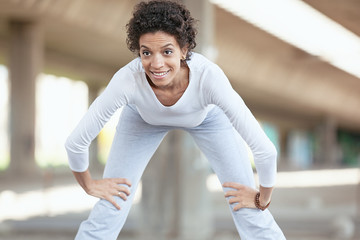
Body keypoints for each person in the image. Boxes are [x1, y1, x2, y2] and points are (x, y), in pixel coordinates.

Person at [65, 0, 286, 239]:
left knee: (248, 206)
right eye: (146, 52)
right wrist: (89, 186)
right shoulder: (128, 80)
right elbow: (76, 142)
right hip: (141, 119)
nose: (156, 63)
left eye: (167, 51)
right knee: (111, 205)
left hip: (207, 119)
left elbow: (265, 151)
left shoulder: (209, 78)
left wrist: (261, 199)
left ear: (184, 50)